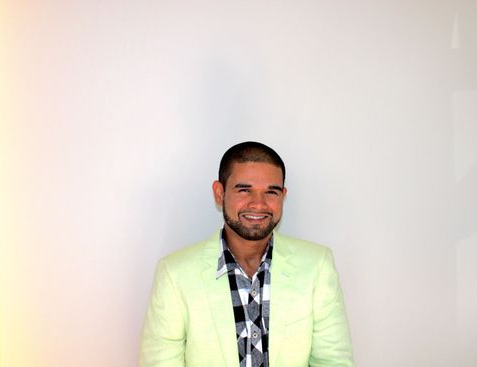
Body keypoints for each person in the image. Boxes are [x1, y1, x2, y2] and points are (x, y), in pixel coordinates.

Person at [139, 141, 353, 367]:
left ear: (283, 196)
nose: (258, 204)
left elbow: (333, 361)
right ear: (219, 193)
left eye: (271, 191)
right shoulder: (175, 274)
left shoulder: (316, 266)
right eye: (244, 190)